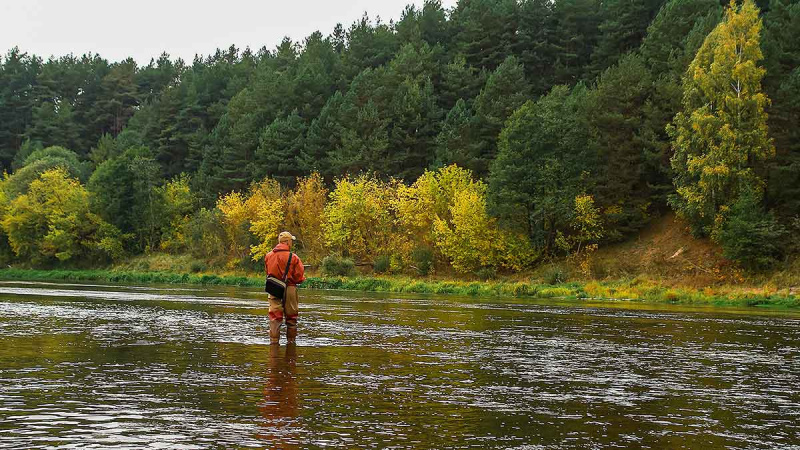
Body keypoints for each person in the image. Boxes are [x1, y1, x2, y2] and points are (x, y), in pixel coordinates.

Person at [264, 231, 305, 344]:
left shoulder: (268, 256)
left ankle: (274, 345)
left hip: (273, 287)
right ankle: (291, 344)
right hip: (290, 288)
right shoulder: (294, 257)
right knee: (291, 319)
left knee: (274, 318)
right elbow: (299, 277)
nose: (291, 243)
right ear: (287, 242)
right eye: (291, 241)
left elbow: (267, 272)